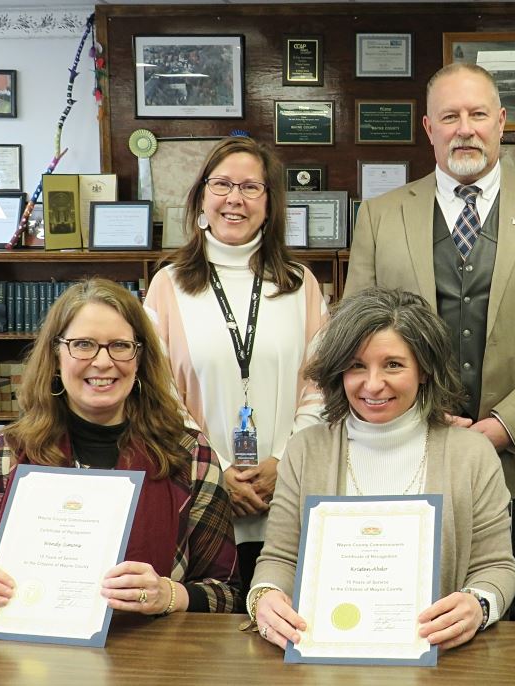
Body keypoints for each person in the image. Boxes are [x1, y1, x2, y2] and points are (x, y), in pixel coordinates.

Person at [343, 62, 515, 622]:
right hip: (406, 451)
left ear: (501, 122)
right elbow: (356, 337)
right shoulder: (382, 217)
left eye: (478, 114)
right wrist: (423, 417)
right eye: (450, 116)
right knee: (406, 607)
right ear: (428, 129)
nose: (465, 128)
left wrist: (503, 428)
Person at [0, 278, 240, 617]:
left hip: (150, 660)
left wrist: (170, 595)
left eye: (120, 345)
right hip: (33, 662)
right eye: (83, 344)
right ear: (56, 355)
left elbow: (226, 593)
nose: (103, 362)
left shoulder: (188, 454)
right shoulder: (11, 455)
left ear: (140, 358)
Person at [249, 288, 515, 650]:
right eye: (357, 365)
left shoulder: (471, 454)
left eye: (393, 364)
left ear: (424, 370)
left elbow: (497, 566)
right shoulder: (305, 450)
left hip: (438, 657)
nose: (373, 384)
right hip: (327, 658)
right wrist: (263, 598)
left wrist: (478, 604)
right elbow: (279, 558)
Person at [145, 136, 326, 603]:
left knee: (285, 619)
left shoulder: (300, 284)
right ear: (202, 196)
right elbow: (158, 393)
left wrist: (283, 463)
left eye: (251, 187)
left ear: (270, 202)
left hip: (285, 489)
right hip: (201, 488)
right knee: (210, 630)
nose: (235, 198)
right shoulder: (168, 285)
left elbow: (320, 386)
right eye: (222, 184)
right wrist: (218, 471)